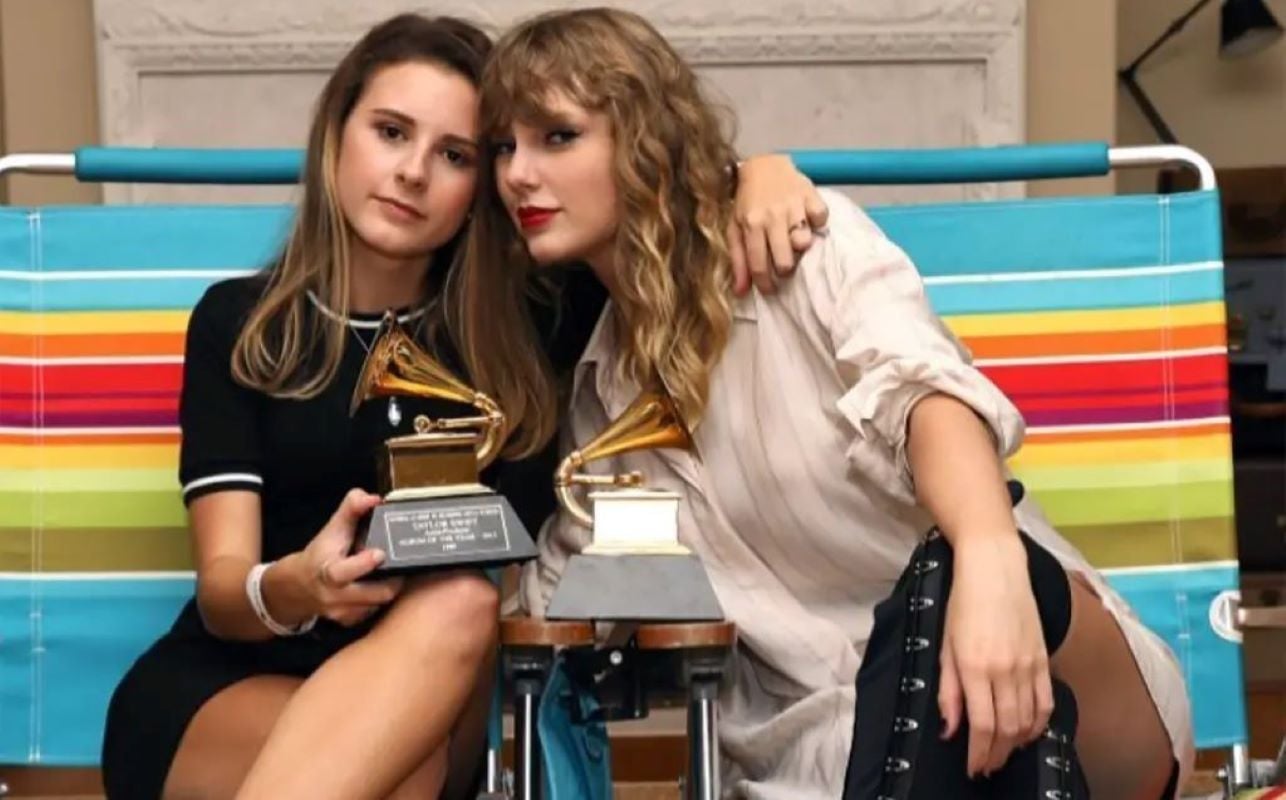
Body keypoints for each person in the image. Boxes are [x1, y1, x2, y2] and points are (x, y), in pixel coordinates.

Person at [454, 8, 1195, 800]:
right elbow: (557, 608)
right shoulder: (600, 408)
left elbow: (927, 395)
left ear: (645, 139)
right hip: (817, 765)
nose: (517, 174)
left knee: (942, 578)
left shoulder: (810, 252)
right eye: (503, 147)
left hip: (1050, 672)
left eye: (557, 136)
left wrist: (989, 555)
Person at [100, 12, 826, 800]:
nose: (413, 172)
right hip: (225, 691)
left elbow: (658, 192)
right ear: (335, 135)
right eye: (390, 132)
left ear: (488, 186)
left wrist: (758, 175)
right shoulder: (241, 324)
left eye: (454, 155)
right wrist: (300, 587)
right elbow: (223, 591)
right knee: (397, 774)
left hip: (445, 690)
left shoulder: (543, 317)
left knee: (459, 602)